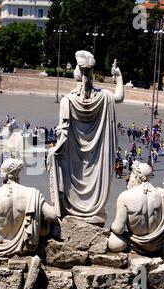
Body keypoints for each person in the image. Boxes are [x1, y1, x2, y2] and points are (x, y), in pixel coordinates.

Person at [48, 51, 124, 225]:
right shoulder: (104, 97)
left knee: (68, 174)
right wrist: (119, 76)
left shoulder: (67, 101)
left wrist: (54, 150)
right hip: (96, 161)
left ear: (75, 75)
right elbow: (119, 97)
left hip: (73, 159)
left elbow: (63, 133)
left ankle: (72, 208)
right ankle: (93, 209)